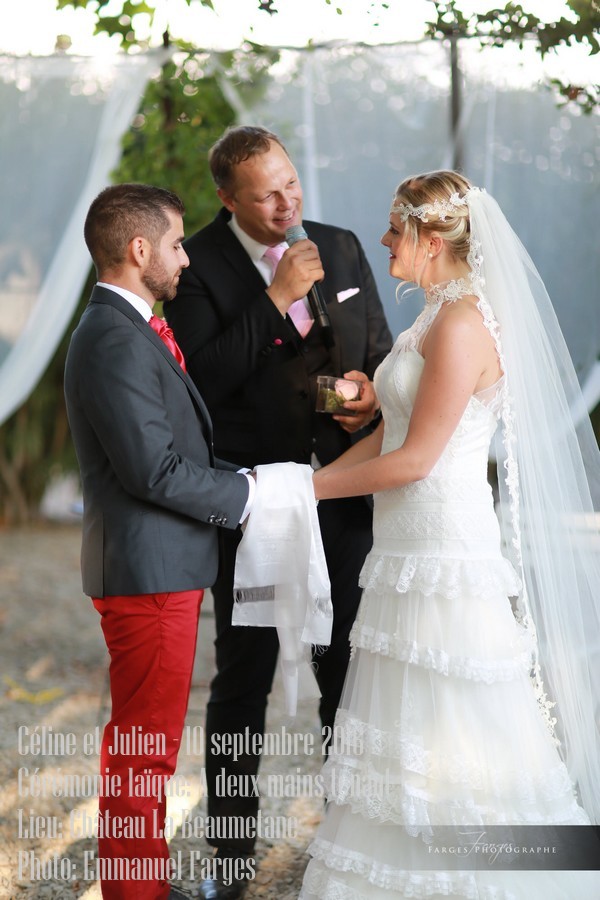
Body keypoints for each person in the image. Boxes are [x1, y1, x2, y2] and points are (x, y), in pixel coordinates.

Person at [299, 170, 600, 898]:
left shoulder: (464, 323)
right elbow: (395, 432)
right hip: (402, 549)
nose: (381, 241)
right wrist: (351, 432)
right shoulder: (432, 315)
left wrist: (299, 489)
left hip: (442, 552)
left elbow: (417, 460)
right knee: (401, 732)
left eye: (394, 229)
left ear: (432, 242)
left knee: (462, 728)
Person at [164, 125, 393, 898]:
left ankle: (346, 847)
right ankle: (232, 858)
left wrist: (368, 394)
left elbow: (379, 351)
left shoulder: (341, 243)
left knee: (347, 674)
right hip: (255, 502)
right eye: (267, 193)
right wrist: (275, 299)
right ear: (229, 198)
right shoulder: (196, 266)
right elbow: (200, 377)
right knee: (242, 682)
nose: (287, 202)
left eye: (291, 183)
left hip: (341, 493)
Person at [64, 183, 254, 900]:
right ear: (139, 249)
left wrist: (251, 477)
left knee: (149, 749)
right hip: (146, 576)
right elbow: (153, 471)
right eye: (176, 245)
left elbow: (175, 450)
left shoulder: (131, 328)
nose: (185, 260)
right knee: (142, 752)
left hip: (160, 570)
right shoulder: (112, 336)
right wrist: (246, 499)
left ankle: (144, 885)